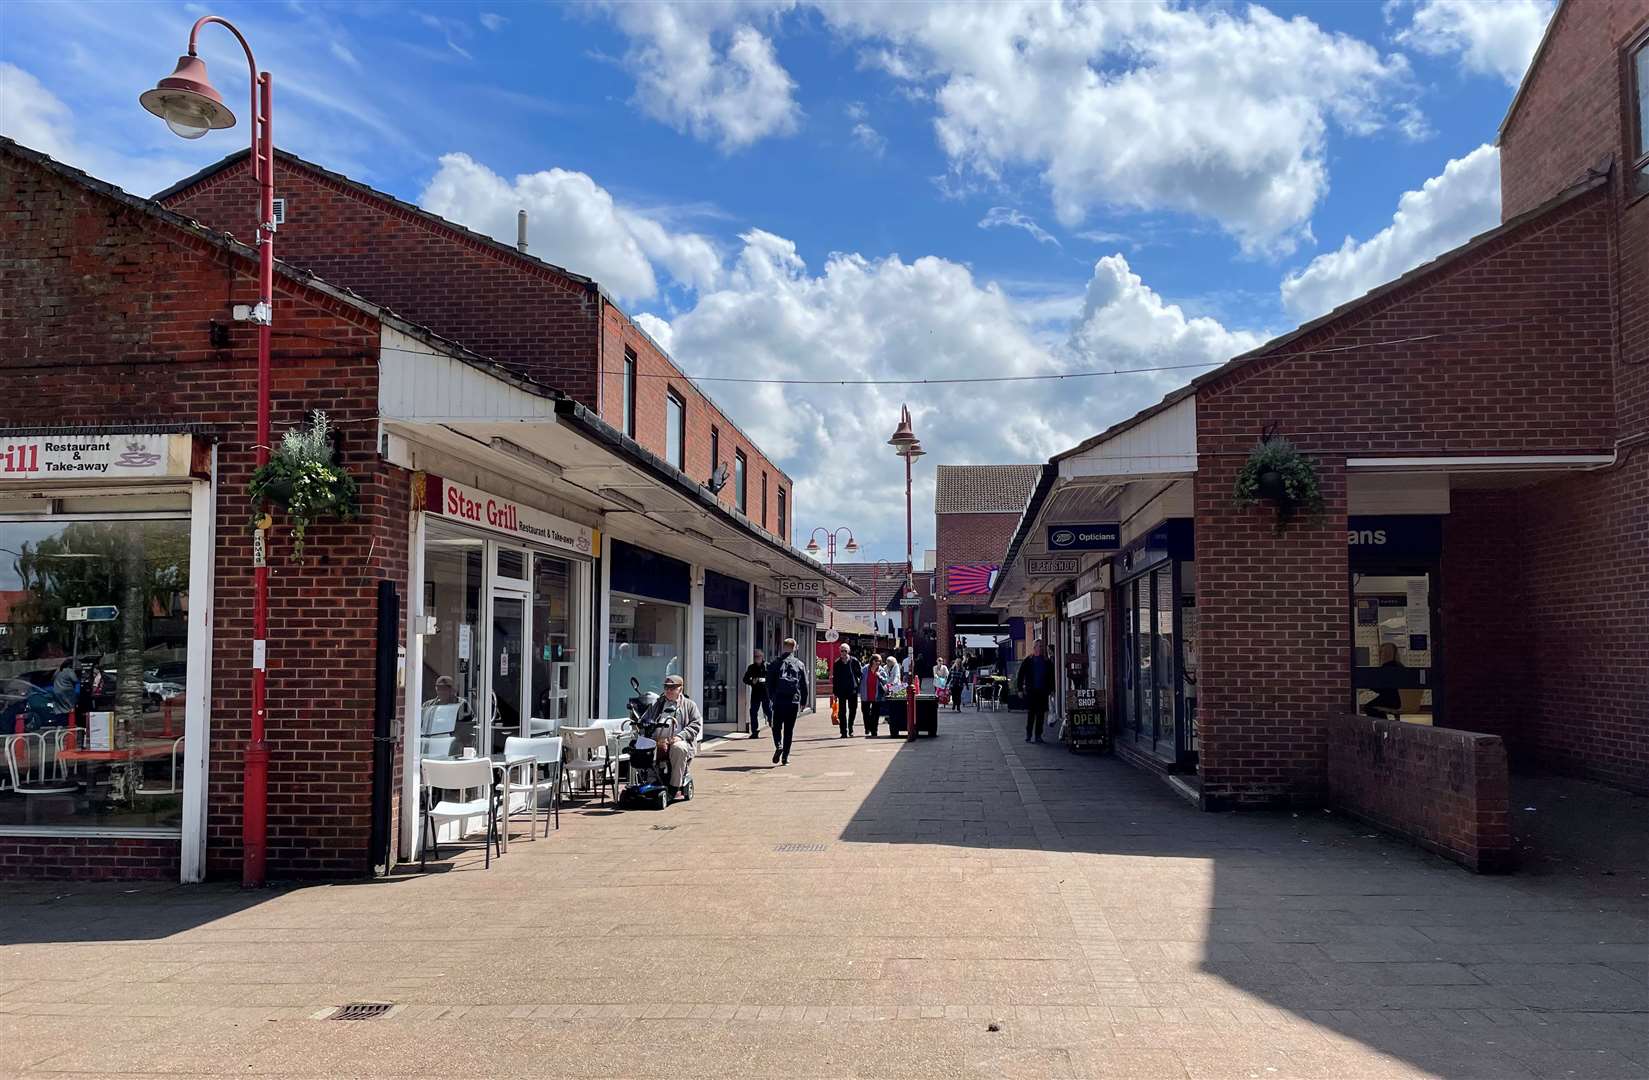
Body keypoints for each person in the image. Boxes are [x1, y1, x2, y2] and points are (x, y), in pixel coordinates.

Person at [637, 674, 701, 798]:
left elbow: (696, 724)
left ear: (680, 689)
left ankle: (674, 787)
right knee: (638, 746)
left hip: (677, 739)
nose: (669, 690)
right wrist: (644, 727)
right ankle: (649, 781)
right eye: (666, 687)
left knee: (679, 748)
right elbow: (645, 719)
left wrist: (681, 736)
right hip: (657, 739)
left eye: (672, 687)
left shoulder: (689, 705)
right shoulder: (658, 703)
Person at [765, 637, 808, 766]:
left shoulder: (775, 663)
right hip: (793, 701)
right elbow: (804, 684)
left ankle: (778, 744)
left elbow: (769, 683)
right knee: (789, 730)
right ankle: (785, 757)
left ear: (783, 647)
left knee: (776, 726)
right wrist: (803, 701)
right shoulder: (799, 664)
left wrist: (772, 697)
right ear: (794, 648)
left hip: (779, 700)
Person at [1017, 639, 1056, 743]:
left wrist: (1052, 689)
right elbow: (1020, 675)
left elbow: (1051, 676)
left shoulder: (1046, 661)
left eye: (1042, 646)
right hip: (1031, 691)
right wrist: (1020, 689)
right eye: (1039, 646)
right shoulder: (1028, 660)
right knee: (1031, 714)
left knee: (1041, 715)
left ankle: (1038, 735)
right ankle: (1029, 734)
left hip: (1042, 691)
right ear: (1034, 648)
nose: (1041, 648)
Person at [1363, 642, 1403, 718]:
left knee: (1369, 707)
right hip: (1401, 700)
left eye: (1382, 652)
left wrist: (1369, 685)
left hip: (1391, 700)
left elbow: (1381, 689)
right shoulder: (1400, 666)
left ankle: (1382, 726)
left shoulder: (1385, 668)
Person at [831, 643, 862, 737]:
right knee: (842, 712)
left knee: (853, 709)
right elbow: (835, 678)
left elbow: (859, 673)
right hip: (841, 690)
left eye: (845, 651)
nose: (843, 653)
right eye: (842, 651)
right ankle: (843, 731)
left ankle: (850, 727)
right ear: (840, 651)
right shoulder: (837, 663)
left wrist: (858, 683)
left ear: (848, 651)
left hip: (852, 689)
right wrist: (835, 692)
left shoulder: (854, 661)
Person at [742, 648, 771, 737]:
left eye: (759, 656)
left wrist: (764, 681)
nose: (757, 658)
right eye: (755, 656)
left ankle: (773, 723)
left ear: (762, 657)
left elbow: (772, 679)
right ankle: (754, 731)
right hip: (756, 692)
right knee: (753, 711)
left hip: (766, 692)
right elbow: (745, 679)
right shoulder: (751, 667)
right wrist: (752, 681)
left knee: (768, 710)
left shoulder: (768, 666)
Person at [861, 652, 883, 738]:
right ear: (872, 661)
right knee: (865, 712)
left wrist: (880, 676)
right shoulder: (865, 669)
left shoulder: (881, 670)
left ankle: (874, 730)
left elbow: (886, 680)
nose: (878, 663)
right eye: (876, 661)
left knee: (875, 714)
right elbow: (860, 678)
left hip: (876, 695)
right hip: (866, 694)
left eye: (879, 661)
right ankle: (867, 728)